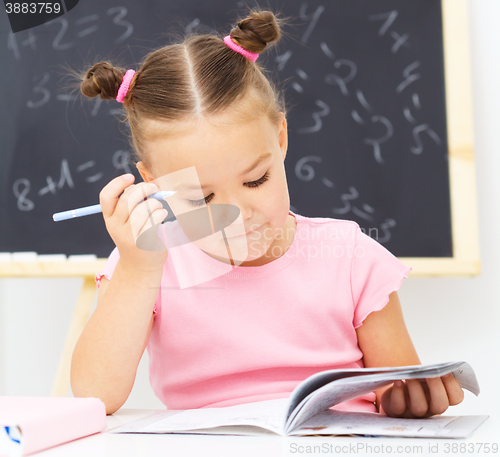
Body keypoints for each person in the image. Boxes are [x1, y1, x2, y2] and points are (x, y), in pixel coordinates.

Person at [70, 8, 464, 417]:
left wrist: (413, 397)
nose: (237, 214)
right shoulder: (146, 262)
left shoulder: (350, 257)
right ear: (153, 184)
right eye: (202, 199)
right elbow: (94, 397)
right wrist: (137, 270)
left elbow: (397, 388)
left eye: (256, 180)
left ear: (280, 140)